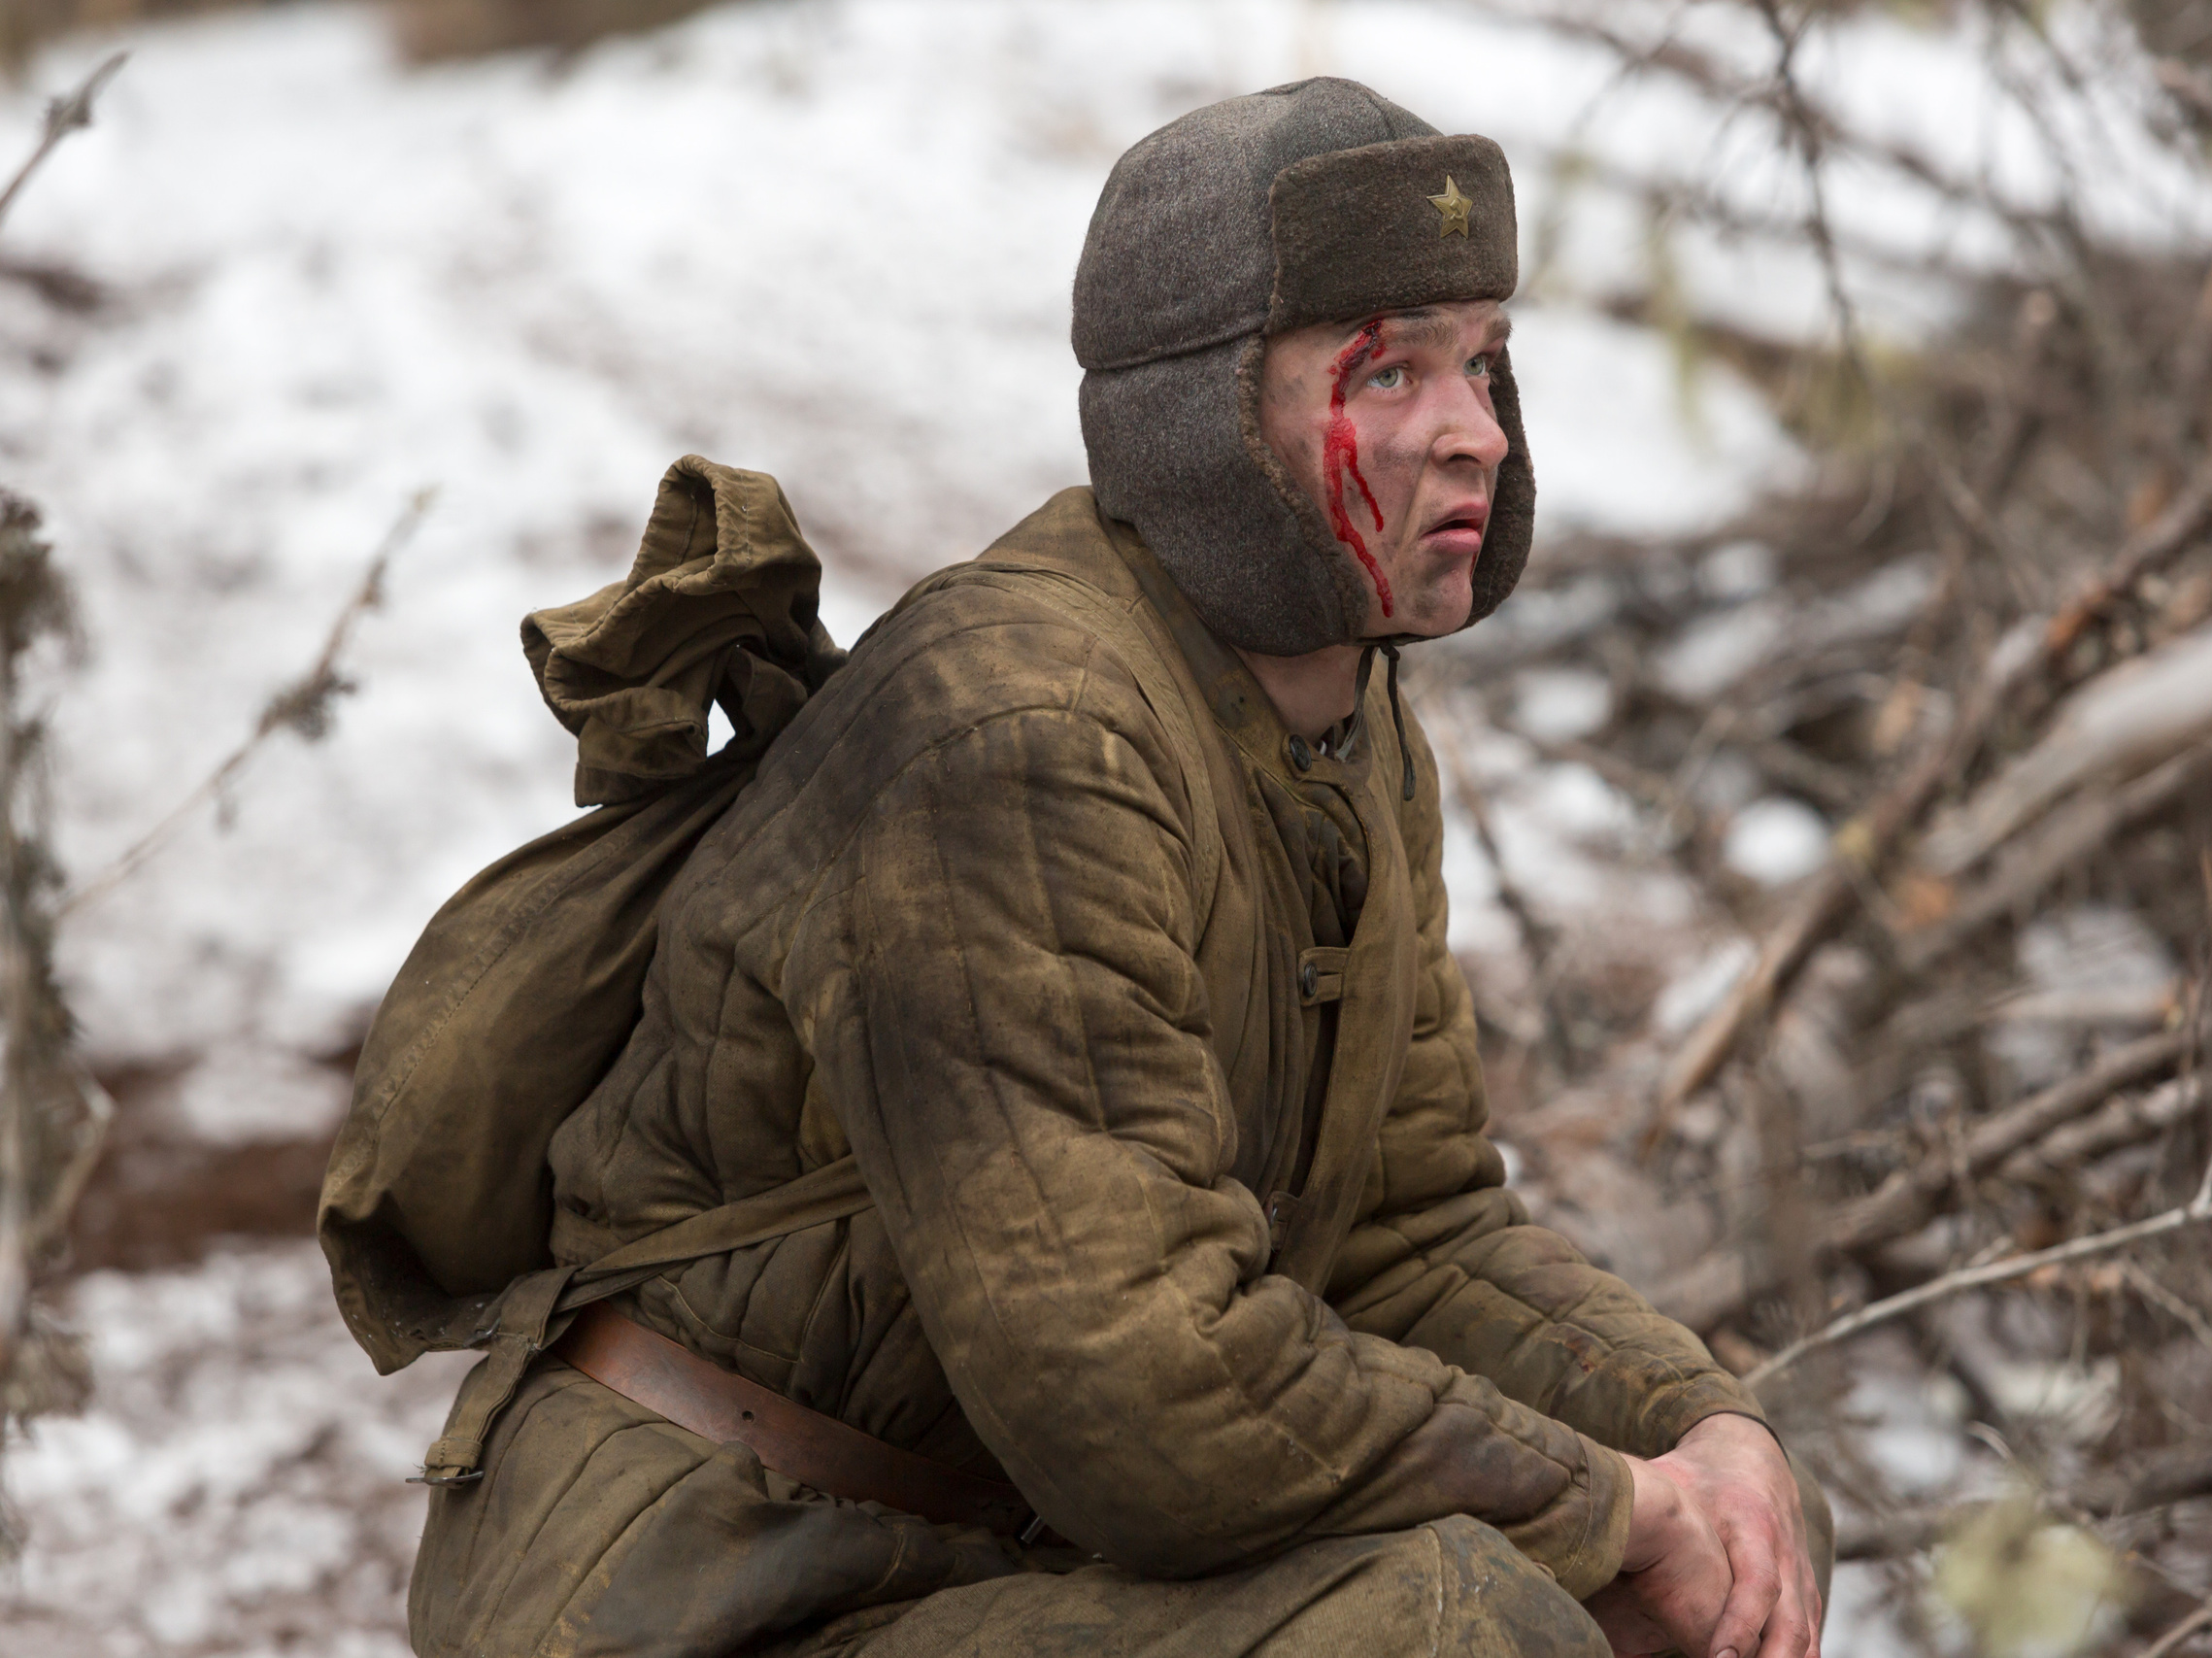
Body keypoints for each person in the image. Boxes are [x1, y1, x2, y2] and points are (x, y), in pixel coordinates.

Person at [405, 78, 1830, 1658]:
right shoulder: (1020, 732)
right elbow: (1139, 1386)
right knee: (1452, 1627)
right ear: (1205, 414)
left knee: (1706, 1562)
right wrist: (1611, 1501)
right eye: (1394, 371)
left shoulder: (1339, 719)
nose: (1475, 431)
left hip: (981, 1564)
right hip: (713, 1593)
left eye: (1486, 360)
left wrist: (1706, 1438)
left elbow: (1406, 1234)